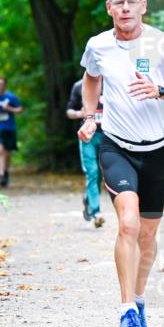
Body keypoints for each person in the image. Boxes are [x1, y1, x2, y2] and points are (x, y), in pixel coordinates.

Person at [77, 0, 164, 327]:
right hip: (116, 145)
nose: (125, 7)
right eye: (119, 2)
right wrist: (89, 117)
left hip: (157, 149)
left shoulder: (162, 44)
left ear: (143, 6)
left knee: (147, 234)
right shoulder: (98, 45)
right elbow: (91, 78)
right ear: (109, 7)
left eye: (132, 1)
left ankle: (140, 297)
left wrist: (159, 90)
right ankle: (127, 309)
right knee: (127, 223)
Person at [67, 77, 106, 228]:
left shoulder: (111, 83)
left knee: (101, 173)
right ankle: (96, 212)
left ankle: (88, 198)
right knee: (92, 172)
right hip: (88, 135)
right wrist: (79, 114)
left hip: (107, 134)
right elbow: (69, 111)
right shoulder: (79, 86)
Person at [0, 77, 23, 187]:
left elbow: (20, 109)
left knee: (8, 153)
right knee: (0, 150)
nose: (0, 86)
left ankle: (6, 173)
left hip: (9, 128)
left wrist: (10, 109)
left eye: (2, 84)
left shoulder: (11, 97)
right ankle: (1, 175)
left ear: (5, 85)